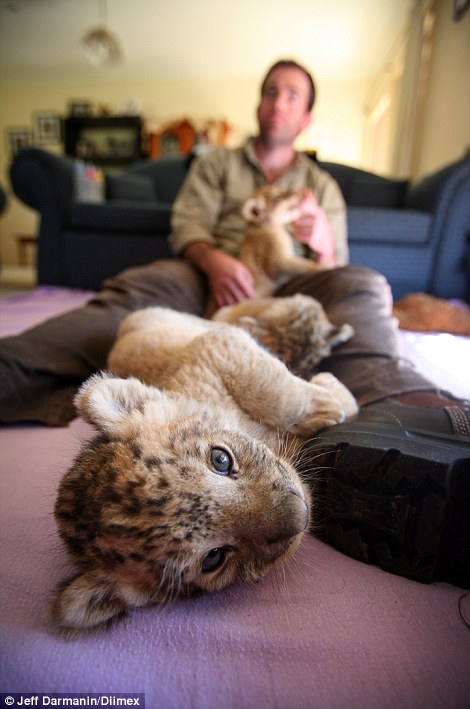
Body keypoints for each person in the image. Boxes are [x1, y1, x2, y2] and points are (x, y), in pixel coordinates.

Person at [0, 59, 468, 585]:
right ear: (258, 102)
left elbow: (332, 266)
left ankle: (407, 415)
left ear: (306, 116)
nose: (277, 102)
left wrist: (321, 240)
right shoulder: (217, 163)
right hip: (206, 275)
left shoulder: (321, 185)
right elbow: (188, 227)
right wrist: (214, 261)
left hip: (286, 280)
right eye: (271, 91)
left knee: (361, 284)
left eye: (291, 95)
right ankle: (11, 368)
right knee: (132, 295)